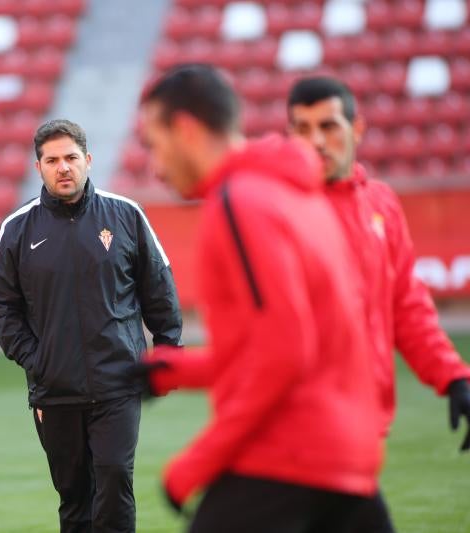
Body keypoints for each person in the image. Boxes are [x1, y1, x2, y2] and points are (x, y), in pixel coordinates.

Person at [135, 64, 384, 532]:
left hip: (287, 456)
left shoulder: (238, 203)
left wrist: (194, 465)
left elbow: (285, 355)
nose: (155, 164)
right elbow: (300, 340)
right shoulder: (300, 196)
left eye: (154, 143)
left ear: (185, 130)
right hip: (348, 457)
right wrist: (179, 370)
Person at [286, 76, 470, 532]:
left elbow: (406, 304)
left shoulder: (381, 205)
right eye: (302, 128)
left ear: (358, 129)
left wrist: (453, 376)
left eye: (328, 126)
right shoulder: (278, 208)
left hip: (364, 424)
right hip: (298, 427)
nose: (316, 140)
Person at [0, 118, 183, 533]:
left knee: (113, 479)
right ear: (38, 167)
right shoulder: (17, 229)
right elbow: (0, 304)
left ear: (88, 160)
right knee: (75, 498)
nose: (63, 167)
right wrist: (38, 360)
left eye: (71, 157)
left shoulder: (126, 215)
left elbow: (158, 286)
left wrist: (168, 350)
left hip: (119, 382)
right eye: (52, 160)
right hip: (55, 391)